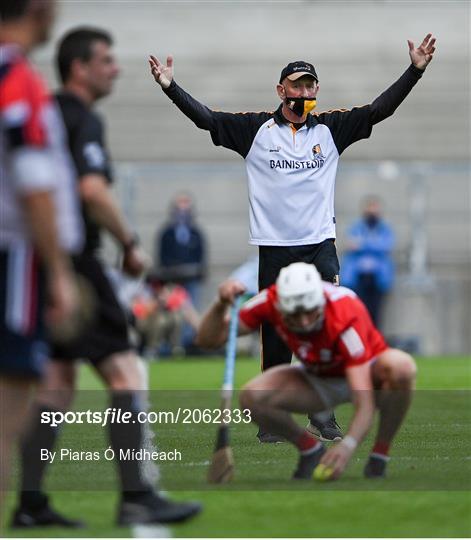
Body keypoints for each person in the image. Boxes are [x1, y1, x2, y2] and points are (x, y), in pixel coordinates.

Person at [148, 33, 435, 441]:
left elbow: (378, 111)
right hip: (275, 248)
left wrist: (415, 72)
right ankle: (271, 412)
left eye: (309, 85)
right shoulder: (255, 130)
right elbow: (207, 119)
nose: (302, 91)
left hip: (319, 246)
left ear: (316, 89)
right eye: (296, 85)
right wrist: (170, 88)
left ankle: (323, 414)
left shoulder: (331, 130)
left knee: (329, 327)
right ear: (281, 89)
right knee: (278, 331)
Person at [11, 27, 201, 528]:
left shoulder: (47, 112)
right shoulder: (83, 120)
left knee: (55, 386)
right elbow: (92, 190)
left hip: (41, 258)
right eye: (106, 60)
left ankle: (30, 505)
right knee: (124, 374)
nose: (115, 68)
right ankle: (137, 495)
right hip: (78, 260)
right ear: (79, 67)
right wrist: (131, 244)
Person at [196, 262, 417, 480]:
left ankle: (379, 455)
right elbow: (207, 340)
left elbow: (364, 400)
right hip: (318, 376)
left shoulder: (344, 309)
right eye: (294, 315)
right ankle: (310, 450)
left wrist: (347, 445)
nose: (303, 322)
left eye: (309, 313)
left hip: (365, 375)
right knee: (251, 397)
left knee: (401, 367)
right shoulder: (271, 301)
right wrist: (220, 304)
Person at [0, 0, 81, 516]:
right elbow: (33, 184)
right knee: (7, 412)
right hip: (14, 258)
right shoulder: (18, 77)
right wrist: (58, 272)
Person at [156, 193, 207, 351]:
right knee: (175, 314)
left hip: (192, 280)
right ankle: (171, 345)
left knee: (191, 309)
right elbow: (162, 257)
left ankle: (189, 344)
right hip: (173, 281)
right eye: (180, 207)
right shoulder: (166, 233)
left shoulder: (196, 233)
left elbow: (201, 257)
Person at [341, 196, 395, 328]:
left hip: (377, 279)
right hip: (358, 278)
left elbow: (386, 246)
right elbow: (351, 245)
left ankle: (374, 344)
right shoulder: (356, 227)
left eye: (375, 209)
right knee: (359, 312)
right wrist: (373, 245)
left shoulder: (385, 229)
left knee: (375, 313)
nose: (372, 212)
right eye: (369, 208)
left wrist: (363, 245)